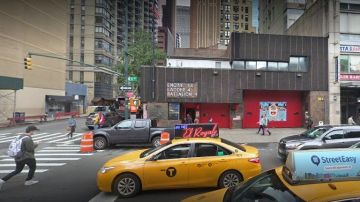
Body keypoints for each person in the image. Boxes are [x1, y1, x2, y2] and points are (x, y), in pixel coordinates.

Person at [0, 126, 40, 190]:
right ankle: (28, 181)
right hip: (27, 157)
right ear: (31, 131)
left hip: (18, 157)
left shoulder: (19, 136)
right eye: (35, 131)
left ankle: (2, 180)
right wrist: (37, 144)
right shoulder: (28, 138)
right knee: (33, 167)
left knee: (17, 170)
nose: (35, 133)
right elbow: (30, 149)